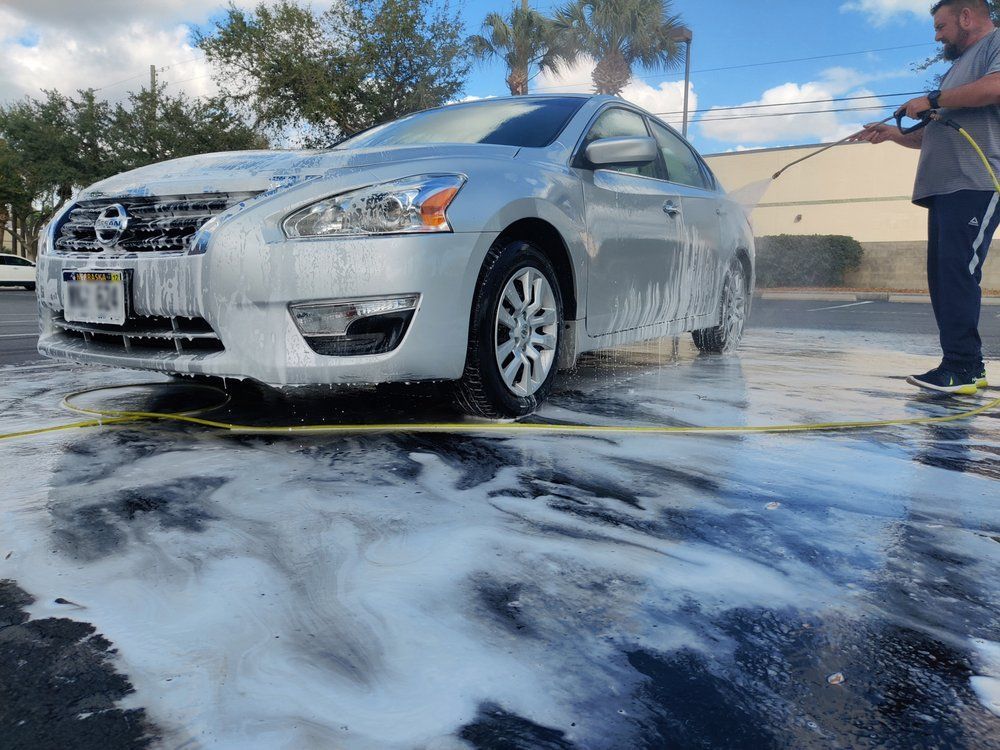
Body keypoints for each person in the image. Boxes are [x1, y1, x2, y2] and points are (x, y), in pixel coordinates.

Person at [850, 0, 1000, 395]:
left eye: (940, 26)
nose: (937, 35)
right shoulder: (955, 72)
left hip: (977, 181)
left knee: (957, 273)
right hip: (945, 188)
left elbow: (996, 88)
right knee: (943, 276)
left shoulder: (995, 45)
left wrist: (932, 100)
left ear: (967, 17)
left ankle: (966, 368)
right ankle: (956, 365)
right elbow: (935, 132)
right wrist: (895, 135)